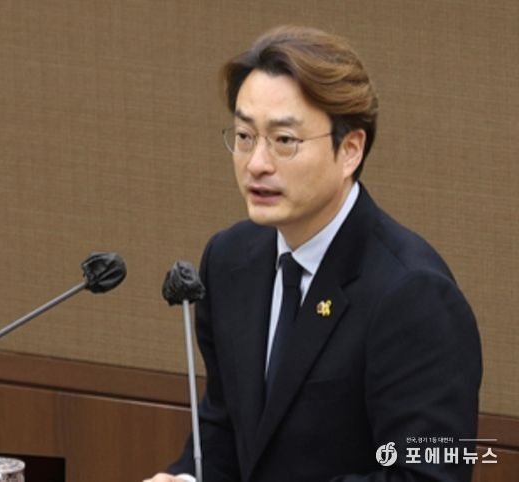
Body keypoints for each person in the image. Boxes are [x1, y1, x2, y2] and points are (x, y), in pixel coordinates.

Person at [144, 25, 482, 482]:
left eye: (284, 140)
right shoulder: (230, 261)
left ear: (351, 150)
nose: (256, 163)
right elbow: (226, 431)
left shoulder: (414, 296)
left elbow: (426, 476)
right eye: (244, 136)